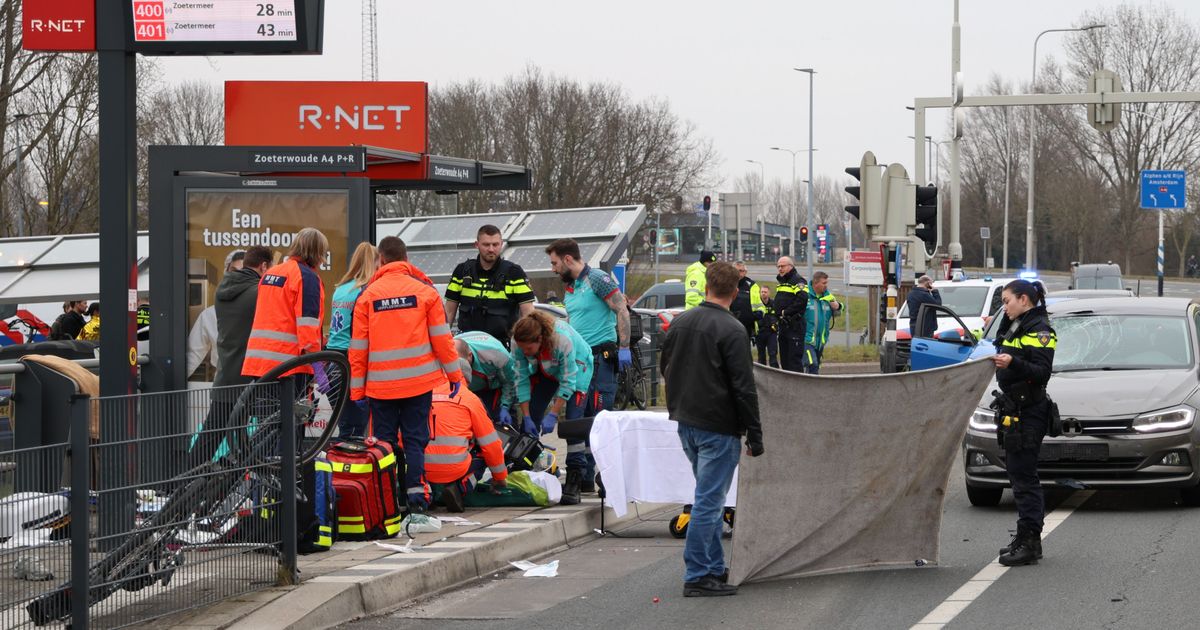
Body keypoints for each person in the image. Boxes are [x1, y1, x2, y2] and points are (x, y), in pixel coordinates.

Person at [660, 261, 763, 597]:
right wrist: (754, 432)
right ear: (735, 291)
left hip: (687, 422)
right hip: (718, 425)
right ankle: (698, 574)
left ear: (706, 286)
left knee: (711, 498)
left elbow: (665, 367)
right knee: (709, 501)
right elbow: (744, 387)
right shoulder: (732, 329)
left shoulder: (680, 322)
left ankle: (714, 567)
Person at [349, 236, 463, 524]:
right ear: (406, 259)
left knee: (384, 444)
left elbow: (358, 349)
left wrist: (357, 391)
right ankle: (416, 501)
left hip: (381, 386)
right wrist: (455, 375)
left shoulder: (368, 296)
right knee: (415, 440)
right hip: (418, 383)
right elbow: (443, 339)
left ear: (381, 260)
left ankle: (389, 503)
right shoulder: (424, 292)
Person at [544, 238, 631, 502]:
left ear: (568, 259)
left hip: (600, 359)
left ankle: (603, 474)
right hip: (579, 362)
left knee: (599, 418)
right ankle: (578, 475)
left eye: (555, 263)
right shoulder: (571, 287)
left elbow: (621, 308)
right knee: (575, 417)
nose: (553, 269)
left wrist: (624, 347)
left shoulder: (598, 279)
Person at [991, 279, 1056, 567]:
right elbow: (1000, 344)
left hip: (1030, 411)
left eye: (1007, 301)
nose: (1004, 307)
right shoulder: (1017, 325)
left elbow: (1042, 372)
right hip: (1015, 409)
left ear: (1024, 300)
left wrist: (1013, 363)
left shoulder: (1041, 330)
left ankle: (1030, 542)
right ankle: (1024, 537)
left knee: (1024, 478)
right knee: (1017, 475)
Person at [189, 246, 271, 467]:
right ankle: (235, 474)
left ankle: (188, 480)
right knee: (267, 433)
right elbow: (193, 353)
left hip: (227, 378)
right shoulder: (259, 293)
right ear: (263, 266)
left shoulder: (221, 294)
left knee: (212, 435)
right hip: (251, 378)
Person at [509, 310, 592, 504]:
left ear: (539, 339)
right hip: (546, 367)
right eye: (522, 349)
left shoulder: (562, 341)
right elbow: (521, 379)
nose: (525, 352)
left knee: (573, 422)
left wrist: (554, 414)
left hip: (578, 367)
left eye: (528, 348)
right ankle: (525, 468)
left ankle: (575, 476)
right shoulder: (518, 342)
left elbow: (568, 381)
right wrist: (527, 416)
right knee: (533, 414)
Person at [242, 229, 327, 379]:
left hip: (258, 363)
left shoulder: (270, 274)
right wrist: (318, 370)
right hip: (289, 366)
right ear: (317, 253)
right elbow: (307, 327)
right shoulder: (307, 277)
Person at [444, 224, 535, 347]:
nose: (491, 249)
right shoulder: (461, 271)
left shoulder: (515, 273)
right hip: (467, 345)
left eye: (495, 244)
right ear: (477, 245)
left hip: (503, 346)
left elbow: (528, 314)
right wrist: (442, 343)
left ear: (501, 244)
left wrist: (527, 346)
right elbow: (449, 312)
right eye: (486, 245)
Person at [424, 382, 508, 512]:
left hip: (421, 467)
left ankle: (426, 494)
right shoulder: (469, 398)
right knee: (483, 452)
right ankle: (460, 487)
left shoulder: (422, 394)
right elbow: (491, 444)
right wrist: (499, 477)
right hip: (454, 467)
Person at [327, 242, 377, 438]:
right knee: (357, 430)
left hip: (332, 361)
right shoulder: (365, 291)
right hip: (352, 361)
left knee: (346, 426)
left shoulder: (340, 289)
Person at [188, 250, 246, 379]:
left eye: (244, 272)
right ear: (226, 274)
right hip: (223, 381)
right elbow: (193, 354)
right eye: (234, 271)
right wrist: (173, 384)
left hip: (256, 381)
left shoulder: (262, 312)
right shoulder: (209, 315)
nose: (238, 277)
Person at [455, 331, 517, 424]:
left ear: (470, 355)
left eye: (463, 367)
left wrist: (505, 406)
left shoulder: (497, 354)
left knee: (497, 418)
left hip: (494, 384)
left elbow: (509, 381)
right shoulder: (442, 359)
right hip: (463, 389)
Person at [801, 271, 841, 374]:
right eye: (824, 283)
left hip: (820, 341)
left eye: (826, 283)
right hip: (807, 340)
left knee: (816, 367)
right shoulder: (805, 296)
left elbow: (838, 312)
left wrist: (838, 306)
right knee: (812, 364)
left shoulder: (828, 297)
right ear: (815, 283)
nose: (826, 285)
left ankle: (809, 383)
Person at [772, 257, 808, 372]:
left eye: (782, 266)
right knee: (785, 361)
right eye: (778, 266)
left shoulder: (798, 281)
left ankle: (798, 383)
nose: (780, 269)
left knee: (794, 362)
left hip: (795, 326)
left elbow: (802, 300)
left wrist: (785, 312)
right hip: (784, 326)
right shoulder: (783, 282)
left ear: (790, 266)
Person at [730, 261, 765, 341]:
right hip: (729, 325)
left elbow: (760, 306)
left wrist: (755, 315)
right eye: (736, 270)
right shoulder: (725, 284)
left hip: (746, 328)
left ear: (745, 272)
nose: (738, 273)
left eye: (741, 271)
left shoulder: (752, 286)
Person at [755, 285, 779, 368]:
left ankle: (775, 373)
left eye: (765, 292)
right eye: (762, 292)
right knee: (761, 355)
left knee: (773, 354)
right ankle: (762, 374)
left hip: (771, 332)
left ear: (769, 293)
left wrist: (776, 324)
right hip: (760, 333)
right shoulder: (757, 304)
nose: (763, 293)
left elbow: (778, 316)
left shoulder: (774, 304)